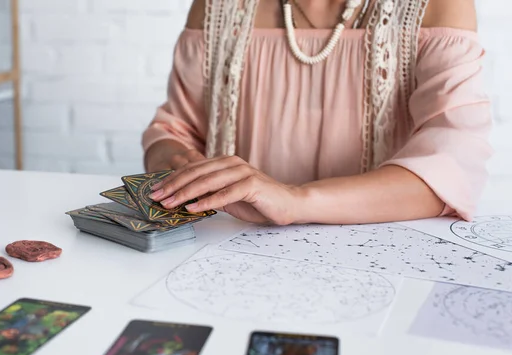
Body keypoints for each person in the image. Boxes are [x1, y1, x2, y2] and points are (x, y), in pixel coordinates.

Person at [142, 0, 492, 226]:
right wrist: (177, 164)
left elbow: (451, 168)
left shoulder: (436, 6)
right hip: (232, 251)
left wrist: (294, 201)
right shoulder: (217, 8)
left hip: (377, 258)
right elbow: (174, 130)